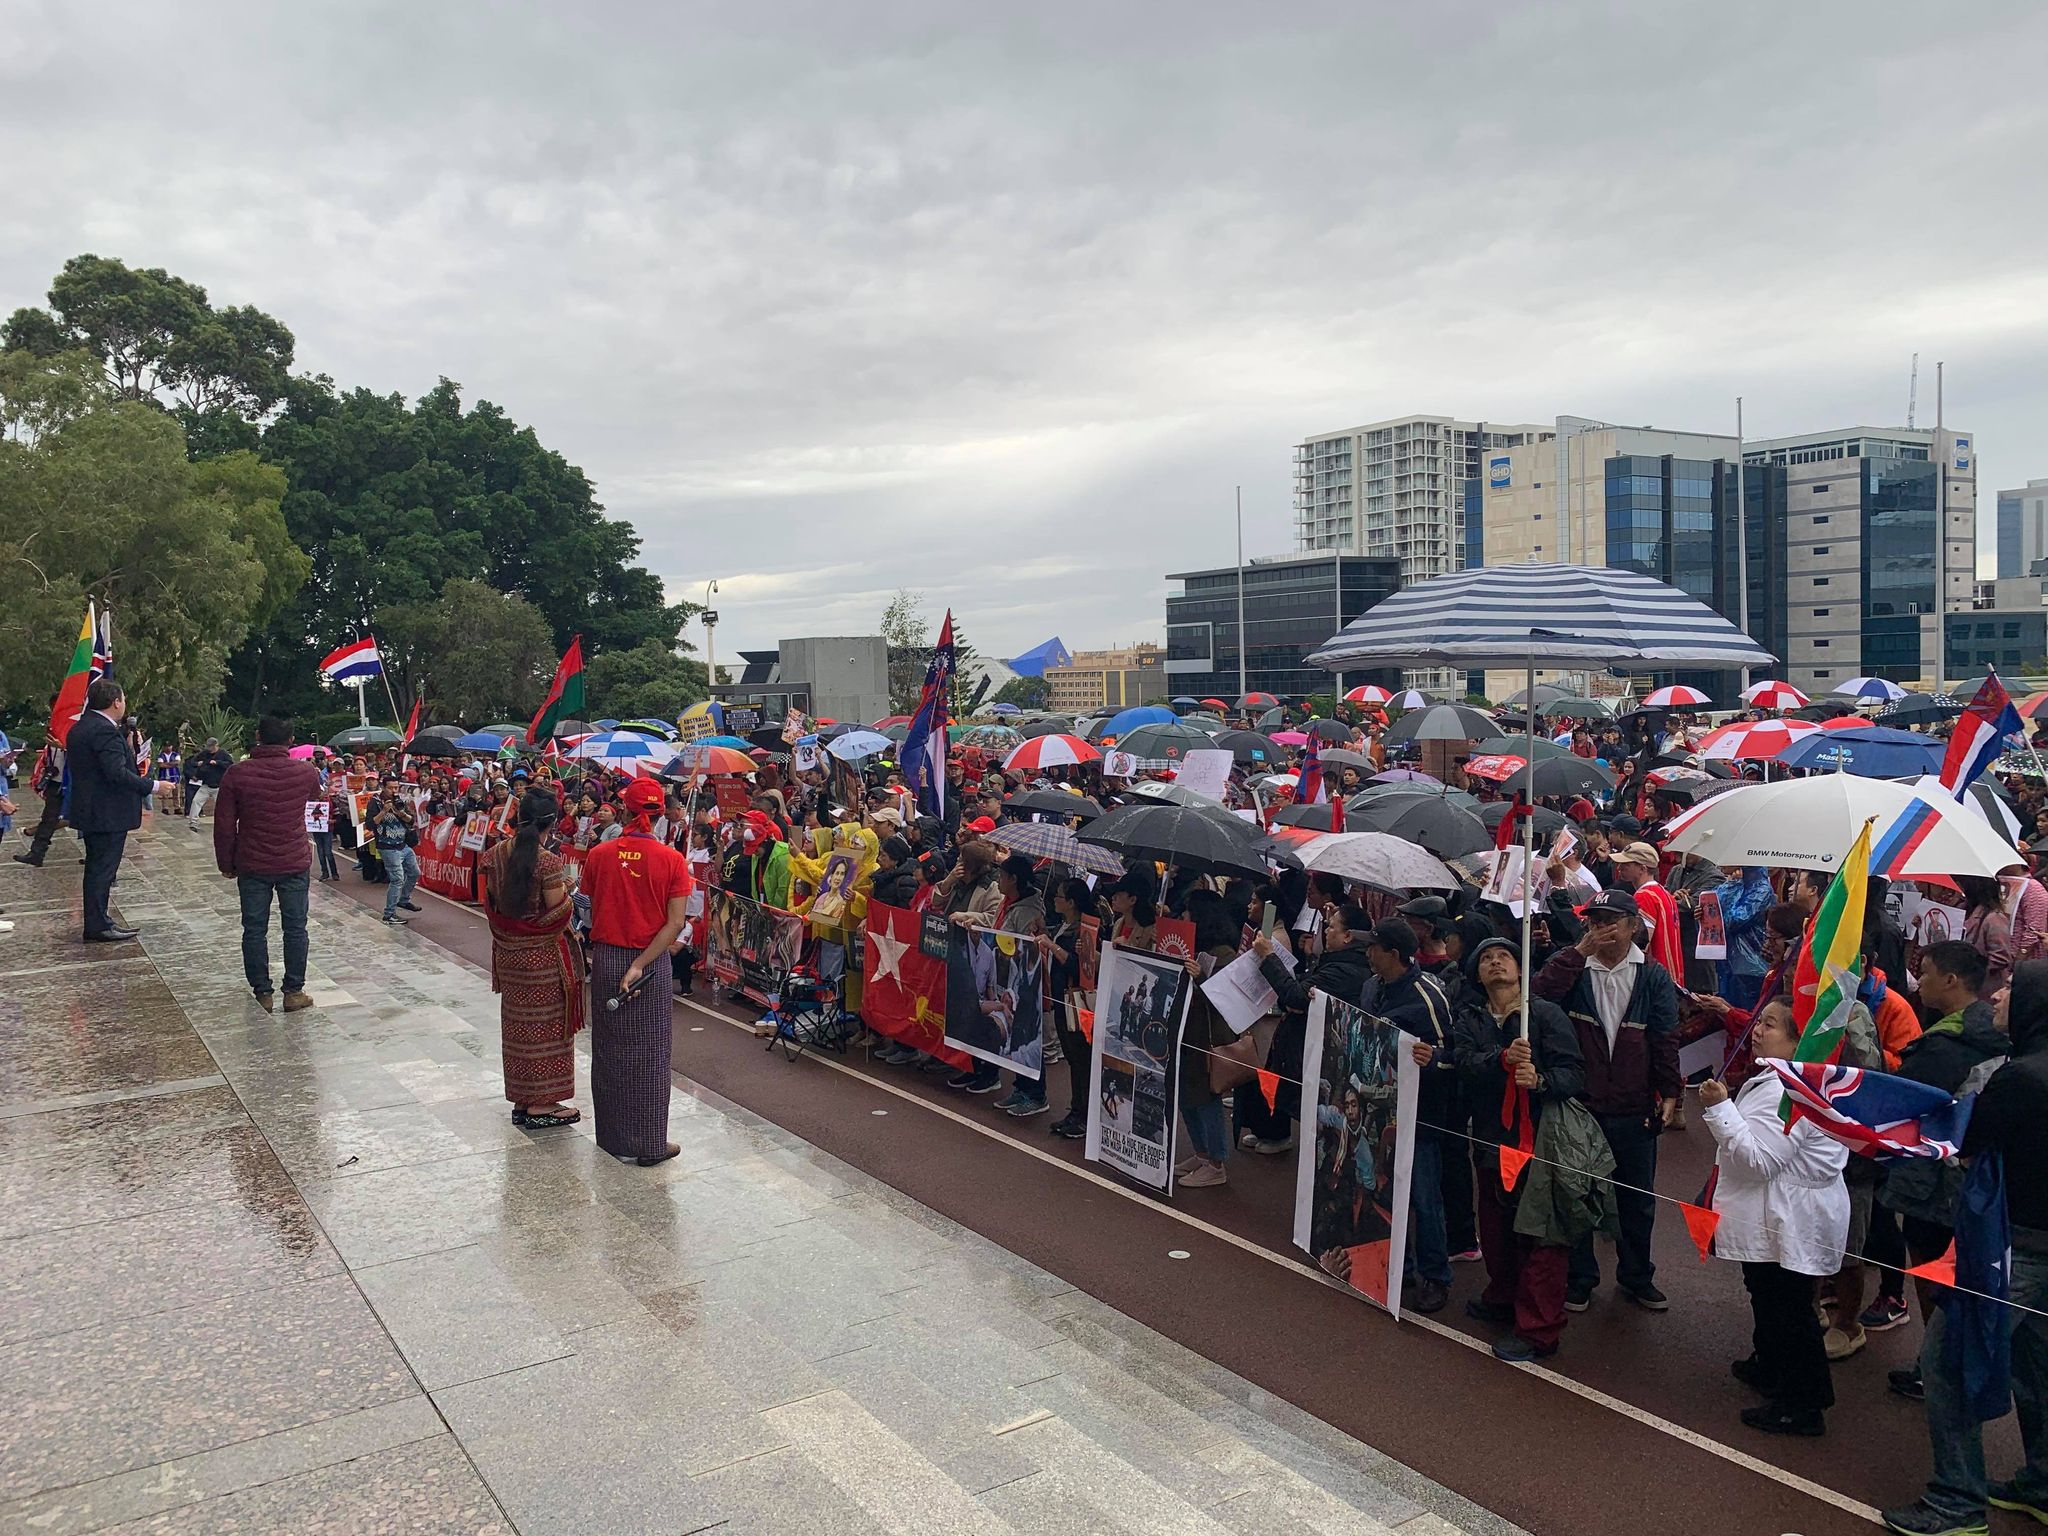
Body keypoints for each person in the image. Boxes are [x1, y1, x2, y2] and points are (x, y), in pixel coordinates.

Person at [1882, 957, 2048, 1536]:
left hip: (2015, 1250)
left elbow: (1969, 1140)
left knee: (1947, 1363)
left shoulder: (2022, 1075)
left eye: (2010, 993)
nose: (1997, 999)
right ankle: (2042, 1481)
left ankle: (1956, 1498)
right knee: (2035, 1363)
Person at [1700, 998, 1850, 1438]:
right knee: (1765, 1293)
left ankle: (1803, 1403)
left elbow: (1760, 1160)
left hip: (1789, 1218)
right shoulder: (1782, 1078)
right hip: (1773, 1214)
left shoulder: (1791, 1091)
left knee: (1788, 1307)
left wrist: (1720, 1109)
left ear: (1797, 1039)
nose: (1757, 1031)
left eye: (1769, 1025)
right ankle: (1770, 1366)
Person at [1534, 885, 1680, 1313]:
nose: (1601, 930)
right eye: (1594, 921)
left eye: (1610, 921)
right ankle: (1581, 1278)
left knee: (1637, 1198)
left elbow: (1665, 1038)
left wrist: (1670, 1091)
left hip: (1635, 1107)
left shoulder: (1652, 975)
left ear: (1633, 926)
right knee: (1577, 1194)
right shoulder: (1576, 966)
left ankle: (1637, 1276)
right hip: (1583, 1104)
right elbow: (1540, 993)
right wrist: (1578, 950)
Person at [1879, 940, 2008, 1404]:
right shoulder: (1989, 1033)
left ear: (1951, 981)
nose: (1919, 982)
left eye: (1927, 972)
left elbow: (1901, 1097)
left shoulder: (1945, 1047)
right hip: (1971, 1183)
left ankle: (1936, 1365)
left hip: (1934, 1182)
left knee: (1932, 1272)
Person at [1454, 935, 1585, 1360]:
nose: (1496, 963)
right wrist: (1500, 1060)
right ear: (1477, 974)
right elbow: (1463, 1062)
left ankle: (1538, 1330)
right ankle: (1504, 1297)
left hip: (1540, 1146)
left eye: (1504, 956)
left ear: (1520, 969)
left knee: (1541, 1237)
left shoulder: (1545, 1016)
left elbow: (1573, 1074)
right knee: (1495, 1230)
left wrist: (1542, 1081)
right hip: (1493, 1142)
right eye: (1486, 958)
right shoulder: (1471, 1019)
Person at [581, 777, 692, 1165]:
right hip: (651, 962)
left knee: (609, 1051)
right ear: (661, 811)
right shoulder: (673, 860)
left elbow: (591, 901)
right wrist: (641, 964)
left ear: (625, 809)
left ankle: (612, 1139)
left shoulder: (600, 854)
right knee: (651, 1055)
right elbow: (675, 923)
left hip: (608, 957)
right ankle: (648, 1143)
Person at [482, 787, 586, 1129]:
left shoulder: (495, 854)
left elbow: (494, 904)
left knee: (518, 1027)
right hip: (544, 960)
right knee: (547, 1029)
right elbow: (557, 914)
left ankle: (523, 1097)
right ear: (551, 824)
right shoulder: (550, 862)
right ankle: (543, 1103)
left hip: (509, 958)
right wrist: (570, 892)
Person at [1369, 916, 1456, 1313]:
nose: (1367, 953)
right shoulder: (1375, 987)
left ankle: (1435, 1276)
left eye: (1374, 947)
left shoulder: (1427, 997)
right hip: (1382, 1108)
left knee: (1424, 1196)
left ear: (1393, 954)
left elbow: (1455, 1055)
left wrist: (1435, 1059)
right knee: (1385, 1189)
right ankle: (1398, 1265)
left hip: (1421, 1115)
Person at [212, 716, 320, 1012]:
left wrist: (226, 862)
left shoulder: (237, 773)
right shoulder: (306, 772)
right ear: (291, 740)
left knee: (254, 928)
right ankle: (294, 991)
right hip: (294, 860)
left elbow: (223, 824)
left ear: (258, 736)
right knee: (296, 927)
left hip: (252, 861)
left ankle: (263, 992)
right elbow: (315, 798)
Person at [66, 678, 154, 944]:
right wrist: (151, 785)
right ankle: (97, 925)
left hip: (92, 810)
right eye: (123, 699)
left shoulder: (81, 727)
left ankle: (99, 921)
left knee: (97, 869)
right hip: (106, 812)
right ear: (116, 702)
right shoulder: (103, 731)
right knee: (102, 870)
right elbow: (116, 773)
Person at [1174, 892, 1246, 1189]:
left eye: (1188, 913)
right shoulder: (1195, 948)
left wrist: (1201, 978)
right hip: (1187, 1031)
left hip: (1209, 1037)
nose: (1183, 918)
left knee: (1207, 1097)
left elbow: (1226, 1000)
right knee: (1186, 1095)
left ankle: (1217, 1162)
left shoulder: (1225, 954)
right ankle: (1202, 1153)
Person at [1611, 841, 1683, 981]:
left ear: (1642, 868)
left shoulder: (1645, 895)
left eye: (1626, 864)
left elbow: (1641, 943)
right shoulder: (1664, 893)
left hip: (1654, 978)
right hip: (1670, 974)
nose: (1619, 868)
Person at [370, 791, 420, 923]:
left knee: (414, 873)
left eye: (396, 787)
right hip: (387, 847)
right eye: (390, 788)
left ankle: (404, 900)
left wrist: (401, 813)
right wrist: (384, 811)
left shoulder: (401, 803)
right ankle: (389, 914)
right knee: (397, 879)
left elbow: (412, 820)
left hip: (403, 845)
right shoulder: (375, 804)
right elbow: (371, 823)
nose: (393, 791)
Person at [184, 737, 232, 827]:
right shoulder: (204, 753)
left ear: (216, 745)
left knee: (222, 805)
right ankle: (193, 822)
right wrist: (197, 763)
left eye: (211, 747)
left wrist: (217, 762)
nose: (210, 749)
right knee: (196, 801)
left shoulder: (223, 754)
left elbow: (230, 764)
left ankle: (225, 823)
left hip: (219, 785)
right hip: (206, 784)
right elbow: (192, 761)